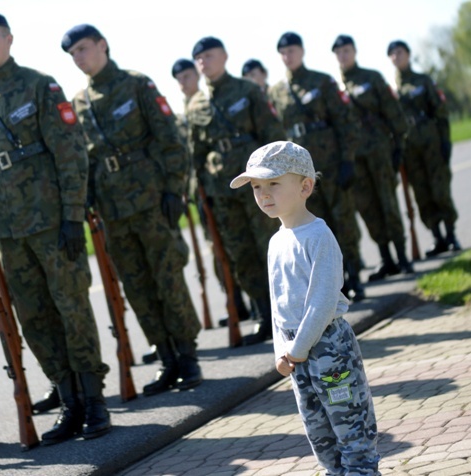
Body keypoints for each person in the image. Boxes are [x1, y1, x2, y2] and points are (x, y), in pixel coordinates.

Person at [0, 11, 111, 445]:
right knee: (34, 317)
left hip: (50, 221)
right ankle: (69, 402)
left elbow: (70, 152)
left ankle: (95, 400)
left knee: (71, 308)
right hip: (10, 231)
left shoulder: (39, 85)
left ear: (8, 38)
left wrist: (70, 215)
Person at [62, 24, 203, 395]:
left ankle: (188, 355)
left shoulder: (136, 84)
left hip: (151, 201)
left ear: (102, 45)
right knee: (137, 287)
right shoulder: (79, 102)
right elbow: (85, 160)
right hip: (114, 211)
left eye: (83, 49)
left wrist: (175, 190)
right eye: (73, 53)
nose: (79, 57)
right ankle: (166, 358)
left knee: (167, 275)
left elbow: (170, 138)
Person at [230, 140, 380, 475]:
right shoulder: (275, 241)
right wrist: (280, 350)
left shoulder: (318, 236)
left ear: (305, 186)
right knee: (320, 437)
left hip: (328, 348)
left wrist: (295, 350)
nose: (263, 194)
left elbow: (322, 303)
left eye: (273, 184)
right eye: (256, 187)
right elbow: (277, 303)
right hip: (296, 355)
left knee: (351, 432)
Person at [189, 36, 286, 344]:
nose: (204, 61)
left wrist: (280, 178)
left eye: (209, 55)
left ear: (225, 56)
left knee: (270, 247)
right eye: (199, 58)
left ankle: (288, 309)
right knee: (241, 255)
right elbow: (196, 154)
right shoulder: (197, 105)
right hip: (222, 192)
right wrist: (197, 192)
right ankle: (263, 313)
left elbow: (271, 134)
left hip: (258, 185)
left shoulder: (248, 91)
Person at [269, 32, 365, 302]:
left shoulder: (322, 82)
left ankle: (354, 275)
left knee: (342, 221)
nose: (288, 56)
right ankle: (328, 287)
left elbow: (345, 122)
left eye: (292, 50)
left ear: (302, 51)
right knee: (312, 227)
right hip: (299, 174)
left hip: (331, 165)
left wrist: (348, 159)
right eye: (283, 52)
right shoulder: (276, 92)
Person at [171, 57, 252, 329]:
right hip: (200, 193)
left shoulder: (209, 105)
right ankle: (236, 304)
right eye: (179, 78)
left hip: (220, 188)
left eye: (187, 76)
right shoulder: (181, 116)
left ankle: (255, 303)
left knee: (239, 246)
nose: (184, 82)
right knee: (218, 250)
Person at [332, 34, 413, 280]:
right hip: (354, 157)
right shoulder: (334, 86)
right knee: (367, 208)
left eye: (347, 50)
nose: (343, 55)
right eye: (339, 52)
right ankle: (386, 259)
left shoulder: (371, 77)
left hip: (378, 150)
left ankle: (402, 257)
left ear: (354, 51)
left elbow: (392, 111)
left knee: (387, 202)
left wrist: (398, 144)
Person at [387, 40, 460, 255]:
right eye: (391, 54)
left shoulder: (423, 80)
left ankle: (451, 234)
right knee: (421, 193)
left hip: (431, 144)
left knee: (440, 189)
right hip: (410, 150)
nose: (396, 57)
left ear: (408, 54)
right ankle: (437, 237)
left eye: (399, 52)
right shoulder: (391, 89)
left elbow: (441, 112)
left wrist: (445, 141)